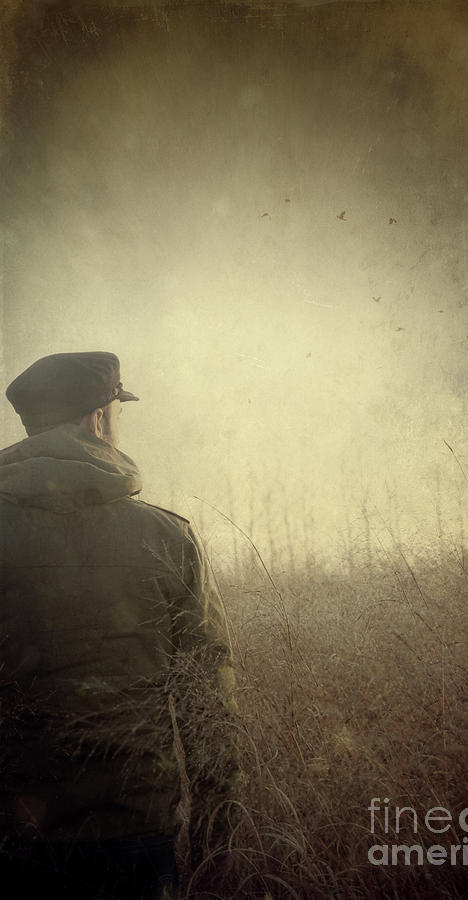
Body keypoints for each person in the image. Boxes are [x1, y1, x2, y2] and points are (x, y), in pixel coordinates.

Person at [0, 352, 240, 899]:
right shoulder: (167, 538)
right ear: (98, 419)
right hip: (133, 834)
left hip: (13, 834)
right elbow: (207, 705)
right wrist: (216, 841)